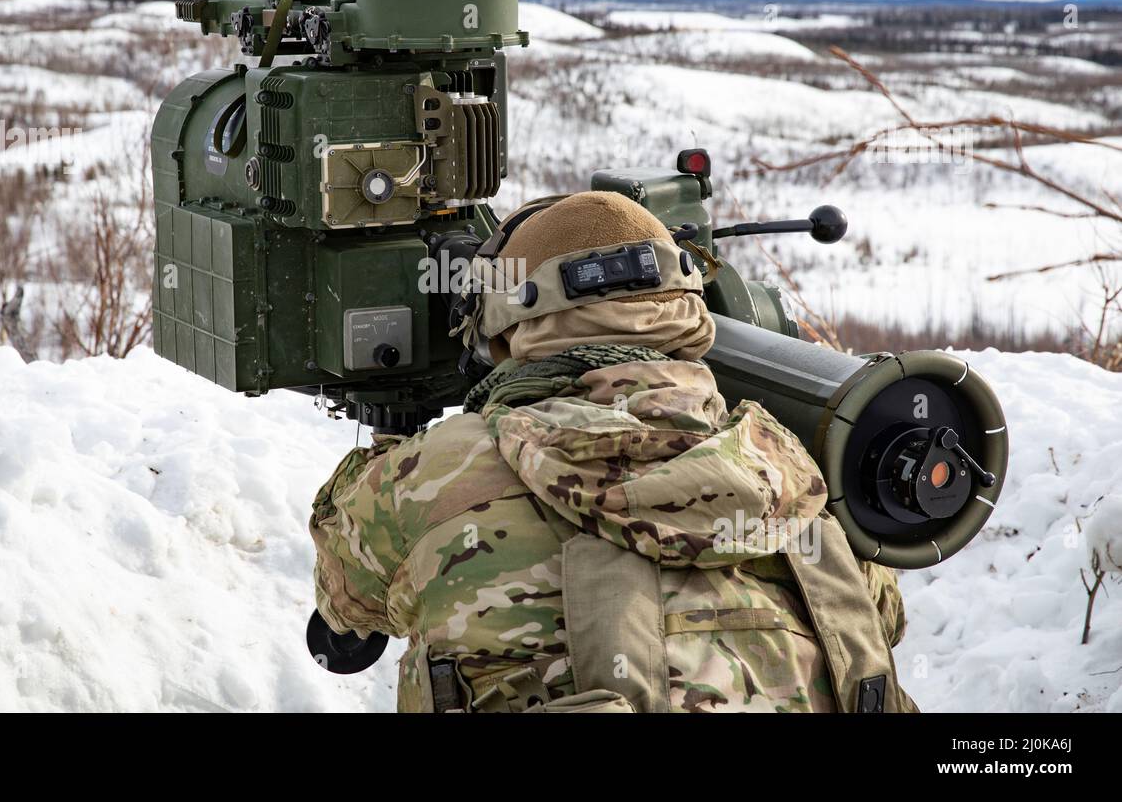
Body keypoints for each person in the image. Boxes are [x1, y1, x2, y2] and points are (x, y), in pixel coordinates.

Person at [310, 191, 916, 713]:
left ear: (501, 329)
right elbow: (884, 619)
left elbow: (346, 599)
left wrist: (384, 449)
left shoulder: (427, 479)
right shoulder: (791, 469)